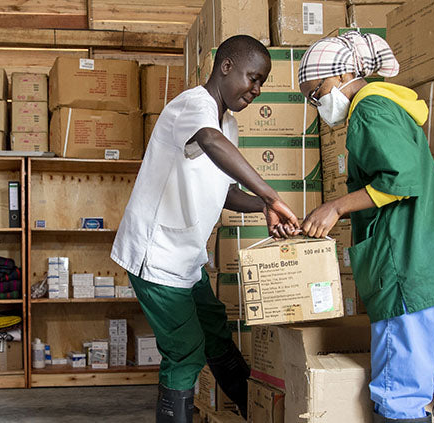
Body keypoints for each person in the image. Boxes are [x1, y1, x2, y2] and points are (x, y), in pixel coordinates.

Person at [297, 31, 434, 423]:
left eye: (315, 92)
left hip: (409, 270)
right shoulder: (396, 109)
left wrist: (335, 207)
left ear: (341, 76)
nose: (316, 103)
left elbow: (400, 178)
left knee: (400, 395)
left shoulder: (369, 110)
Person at [111, 35, 300, 423]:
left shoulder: (226, 123)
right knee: (185, 352)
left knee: (215, 332)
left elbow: (224, 192)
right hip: (157, 255)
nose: (257, 90)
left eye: (262, 82)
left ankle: (254, 412)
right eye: (254, 77)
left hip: (186, 256)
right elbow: (209, 141)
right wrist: (270, 193)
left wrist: (265, 207)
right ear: (226, 66)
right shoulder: (192, 106)